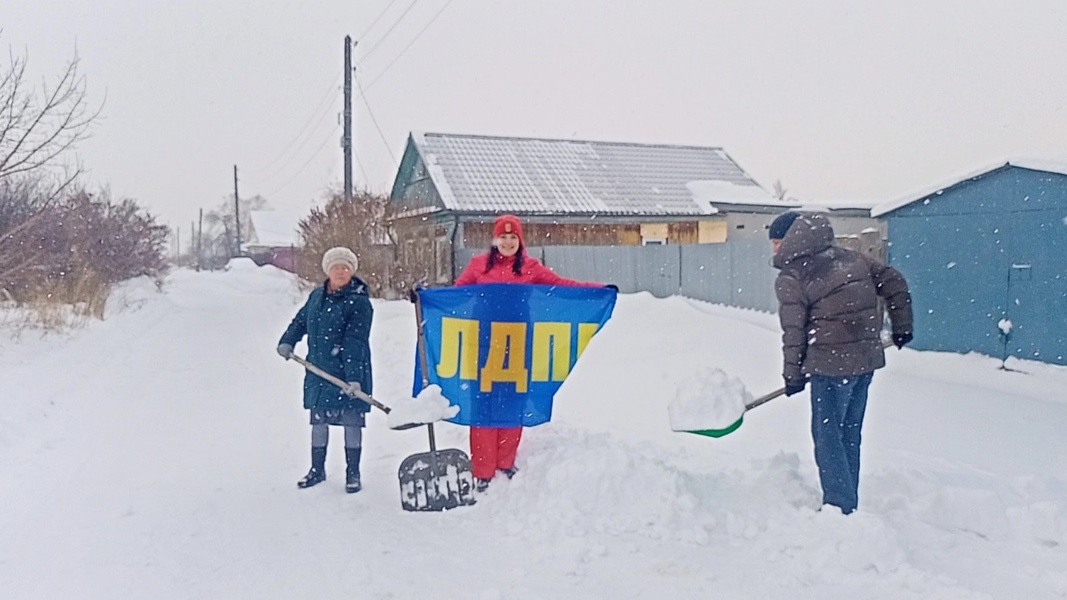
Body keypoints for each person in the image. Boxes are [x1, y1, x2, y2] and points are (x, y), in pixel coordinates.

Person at [451, 214, 614, 492]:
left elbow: (562, 286)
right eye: (503, 236)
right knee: (484, 403)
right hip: (484, 343)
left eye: (513, 237)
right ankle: (483, 469)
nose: (507, 241)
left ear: (520, 240)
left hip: (518, 342)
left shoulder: (530, 267)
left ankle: (505, 461)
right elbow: (453, 294)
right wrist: (425, 296)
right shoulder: (478, 266)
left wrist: (598, 291)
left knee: (512, 402)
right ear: (495, 239)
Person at [769, 211, 912, 515]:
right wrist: (902, 325)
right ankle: (847, 502)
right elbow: (893, 280)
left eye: (777, 241)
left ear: (790, 240)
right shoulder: (850, 258)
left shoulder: (793, 275)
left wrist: (792, 374)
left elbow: (794, 331)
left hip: (831, 367)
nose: (774, 249)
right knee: (849, 432)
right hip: (864, 362)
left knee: (828, 436)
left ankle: (839, 507)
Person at [277, 247, 373, 494]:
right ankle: (317, 469)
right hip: (319, 370)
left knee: (352, 421)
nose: (341, 271)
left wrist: (353, 378)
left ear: (352, 271)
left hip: (348, 372)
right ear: (327, 270)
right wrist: (288, 340)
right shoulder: (317, 296)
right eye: (336, 267)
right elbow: (300, 321)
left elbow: (355, 341)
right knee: (319, 420)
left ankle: (353, 473)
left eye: (346, 267)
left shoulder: (360, 302)